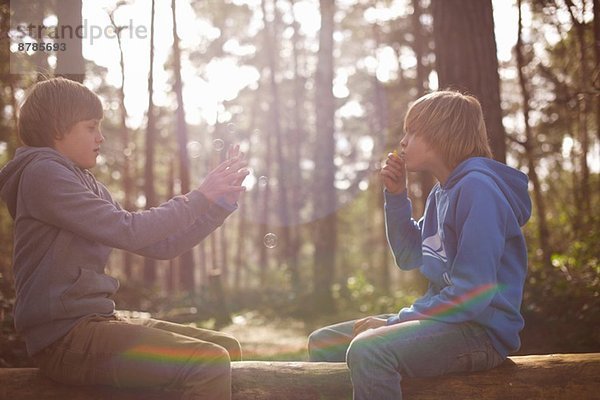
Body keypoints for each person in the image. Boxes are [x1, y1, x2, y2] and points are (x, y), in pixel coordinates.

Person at [0, 77, 249, 400]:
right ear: (58, 129)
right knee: (207, 361)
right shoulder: (43, 174)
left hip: (94, 323)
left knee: (226, 348)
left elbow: (161, 245)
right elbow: (128, 228)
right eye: (91, 127)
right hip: (64, 338)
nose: (100, 137)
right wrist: (200, 196)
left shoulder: (84, 181)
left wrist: (218, 206)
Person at [307, 90, 532, 400]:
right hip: (445, 321)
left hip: (480, 332)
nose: (403, 142)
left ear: (440, 135)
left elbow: (471, 295)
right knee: (323, 343)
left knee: (369, 350)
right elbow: (409, 255)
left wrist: (396, 322)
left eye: (411, 132)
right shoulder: (443, 192)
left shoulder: (478, 189)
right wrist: (397, 196)